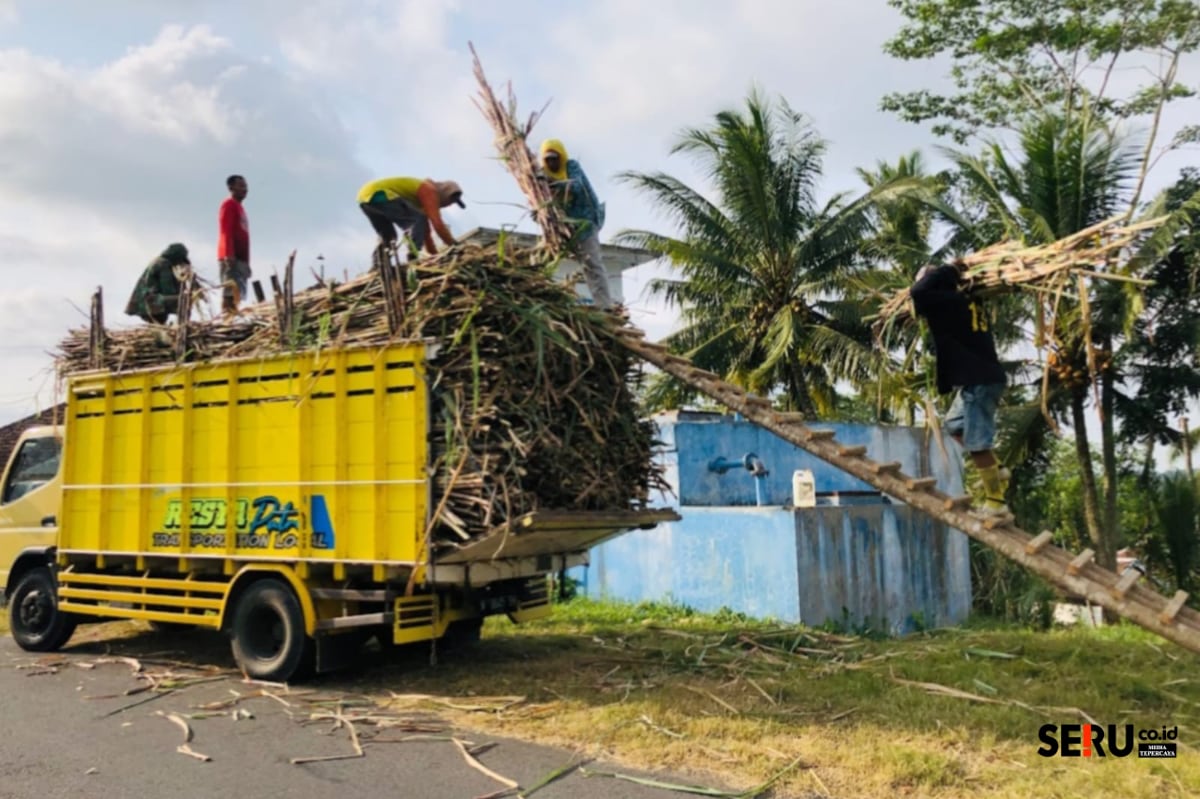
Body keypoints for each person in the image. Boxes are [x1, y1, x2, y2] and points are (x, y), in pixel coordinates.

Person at [910, 260, 1009, 513]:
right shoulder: (965, 300)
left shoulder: (944, 302)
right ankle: (997, 471)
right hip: (978, 380)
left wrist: (950, 269)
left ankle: (996, 502)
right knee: (954, 425)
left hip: (980, 382)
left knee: (977, 445)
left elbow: (919, 293)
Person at [538, 139, 613, 310]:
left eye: (555, 158)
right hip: (563, 228)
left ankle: (605, 305)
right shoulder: (542, 176)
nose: (552, 162)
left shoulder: (571, 167)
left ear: (561, 156)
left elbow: (576, 186)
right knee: (547, 259)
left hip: (585, 223)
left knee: (592, 263)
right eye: (548, 159)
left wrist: (551, 182)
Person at [356, 177, 464, 260]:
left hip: (364, 198)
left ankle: (378, 264)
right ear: (444, 193)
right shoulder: (429, 191)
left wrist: (435, 257)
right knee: (416, 220)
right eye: (451, 201)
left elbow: (425, 233)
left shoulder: (417, 202)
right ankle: (412, 253)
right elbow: (438, 225)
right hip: (381, 194)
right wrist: (455, 246)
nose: (449, 205)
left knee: (388, 236)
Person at [125, 243, 193, 324]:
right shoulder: (164, 264)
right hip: (151, 301)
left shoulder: (158, 261)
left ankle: (163, 326)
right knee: (184, 300)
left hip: (147, 301)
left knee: (180, 300)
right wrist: (185, 291)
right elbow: (168, 289)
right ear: (176, 256)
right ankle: (183, 325)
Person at [218, 174, 251, 313]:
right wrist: (228, 253)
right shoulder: (229, 204)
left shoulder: (240, 208)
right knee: (230, 293)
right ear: (231, 188)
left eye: (245, 186)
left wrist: (246, 264)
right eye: (241, 186)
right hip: (231, 258)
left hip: (240, 259)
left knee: (238, 294)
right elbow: (226, 230)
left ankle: (232, 316)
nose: (245, 189)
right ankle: (227, 318)